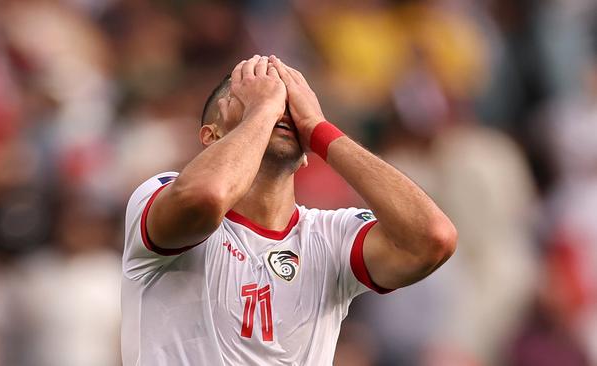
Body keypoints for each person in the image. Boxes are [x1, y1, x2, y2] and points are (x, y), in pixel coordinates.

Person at [121, 55, 457, 365]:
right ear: (212, 135)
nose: (280, 109)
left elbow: (432, 238)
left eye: (288, 102)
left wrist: (319, 129)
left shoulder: (331, 235)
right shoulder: (159, 193)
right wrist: (262, 113)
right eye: (254, 94)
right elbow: (206, 196)